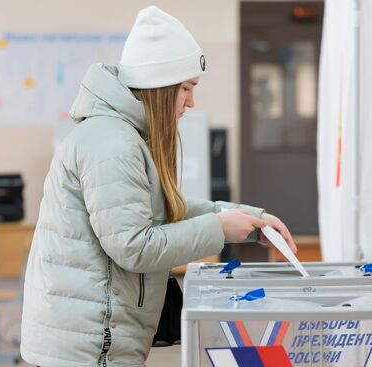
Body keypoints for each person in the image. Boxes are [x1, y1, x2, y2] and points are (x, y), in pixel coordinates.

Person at [20, 6, 297, 367]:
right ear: (159, 85)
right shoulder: (112, 144)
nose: (191, 102)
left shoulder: (124, 136)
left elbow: (164, 209)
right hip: (86, 348)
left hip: (91, 341)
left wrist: (242, 217)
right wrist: (219, 228)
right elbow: (134, 246)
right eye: (186, 88)